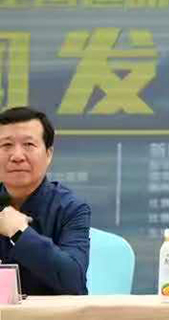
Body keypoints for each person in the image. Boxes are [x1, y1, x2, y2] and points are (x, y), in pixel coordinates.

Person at [0, 106, 91, 295]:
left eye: (28, 145)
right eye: (6, 145)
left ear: (48, 154)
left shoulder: (71, 209)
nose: (17, 156)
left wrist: (20, 233)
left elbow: (74, 282)